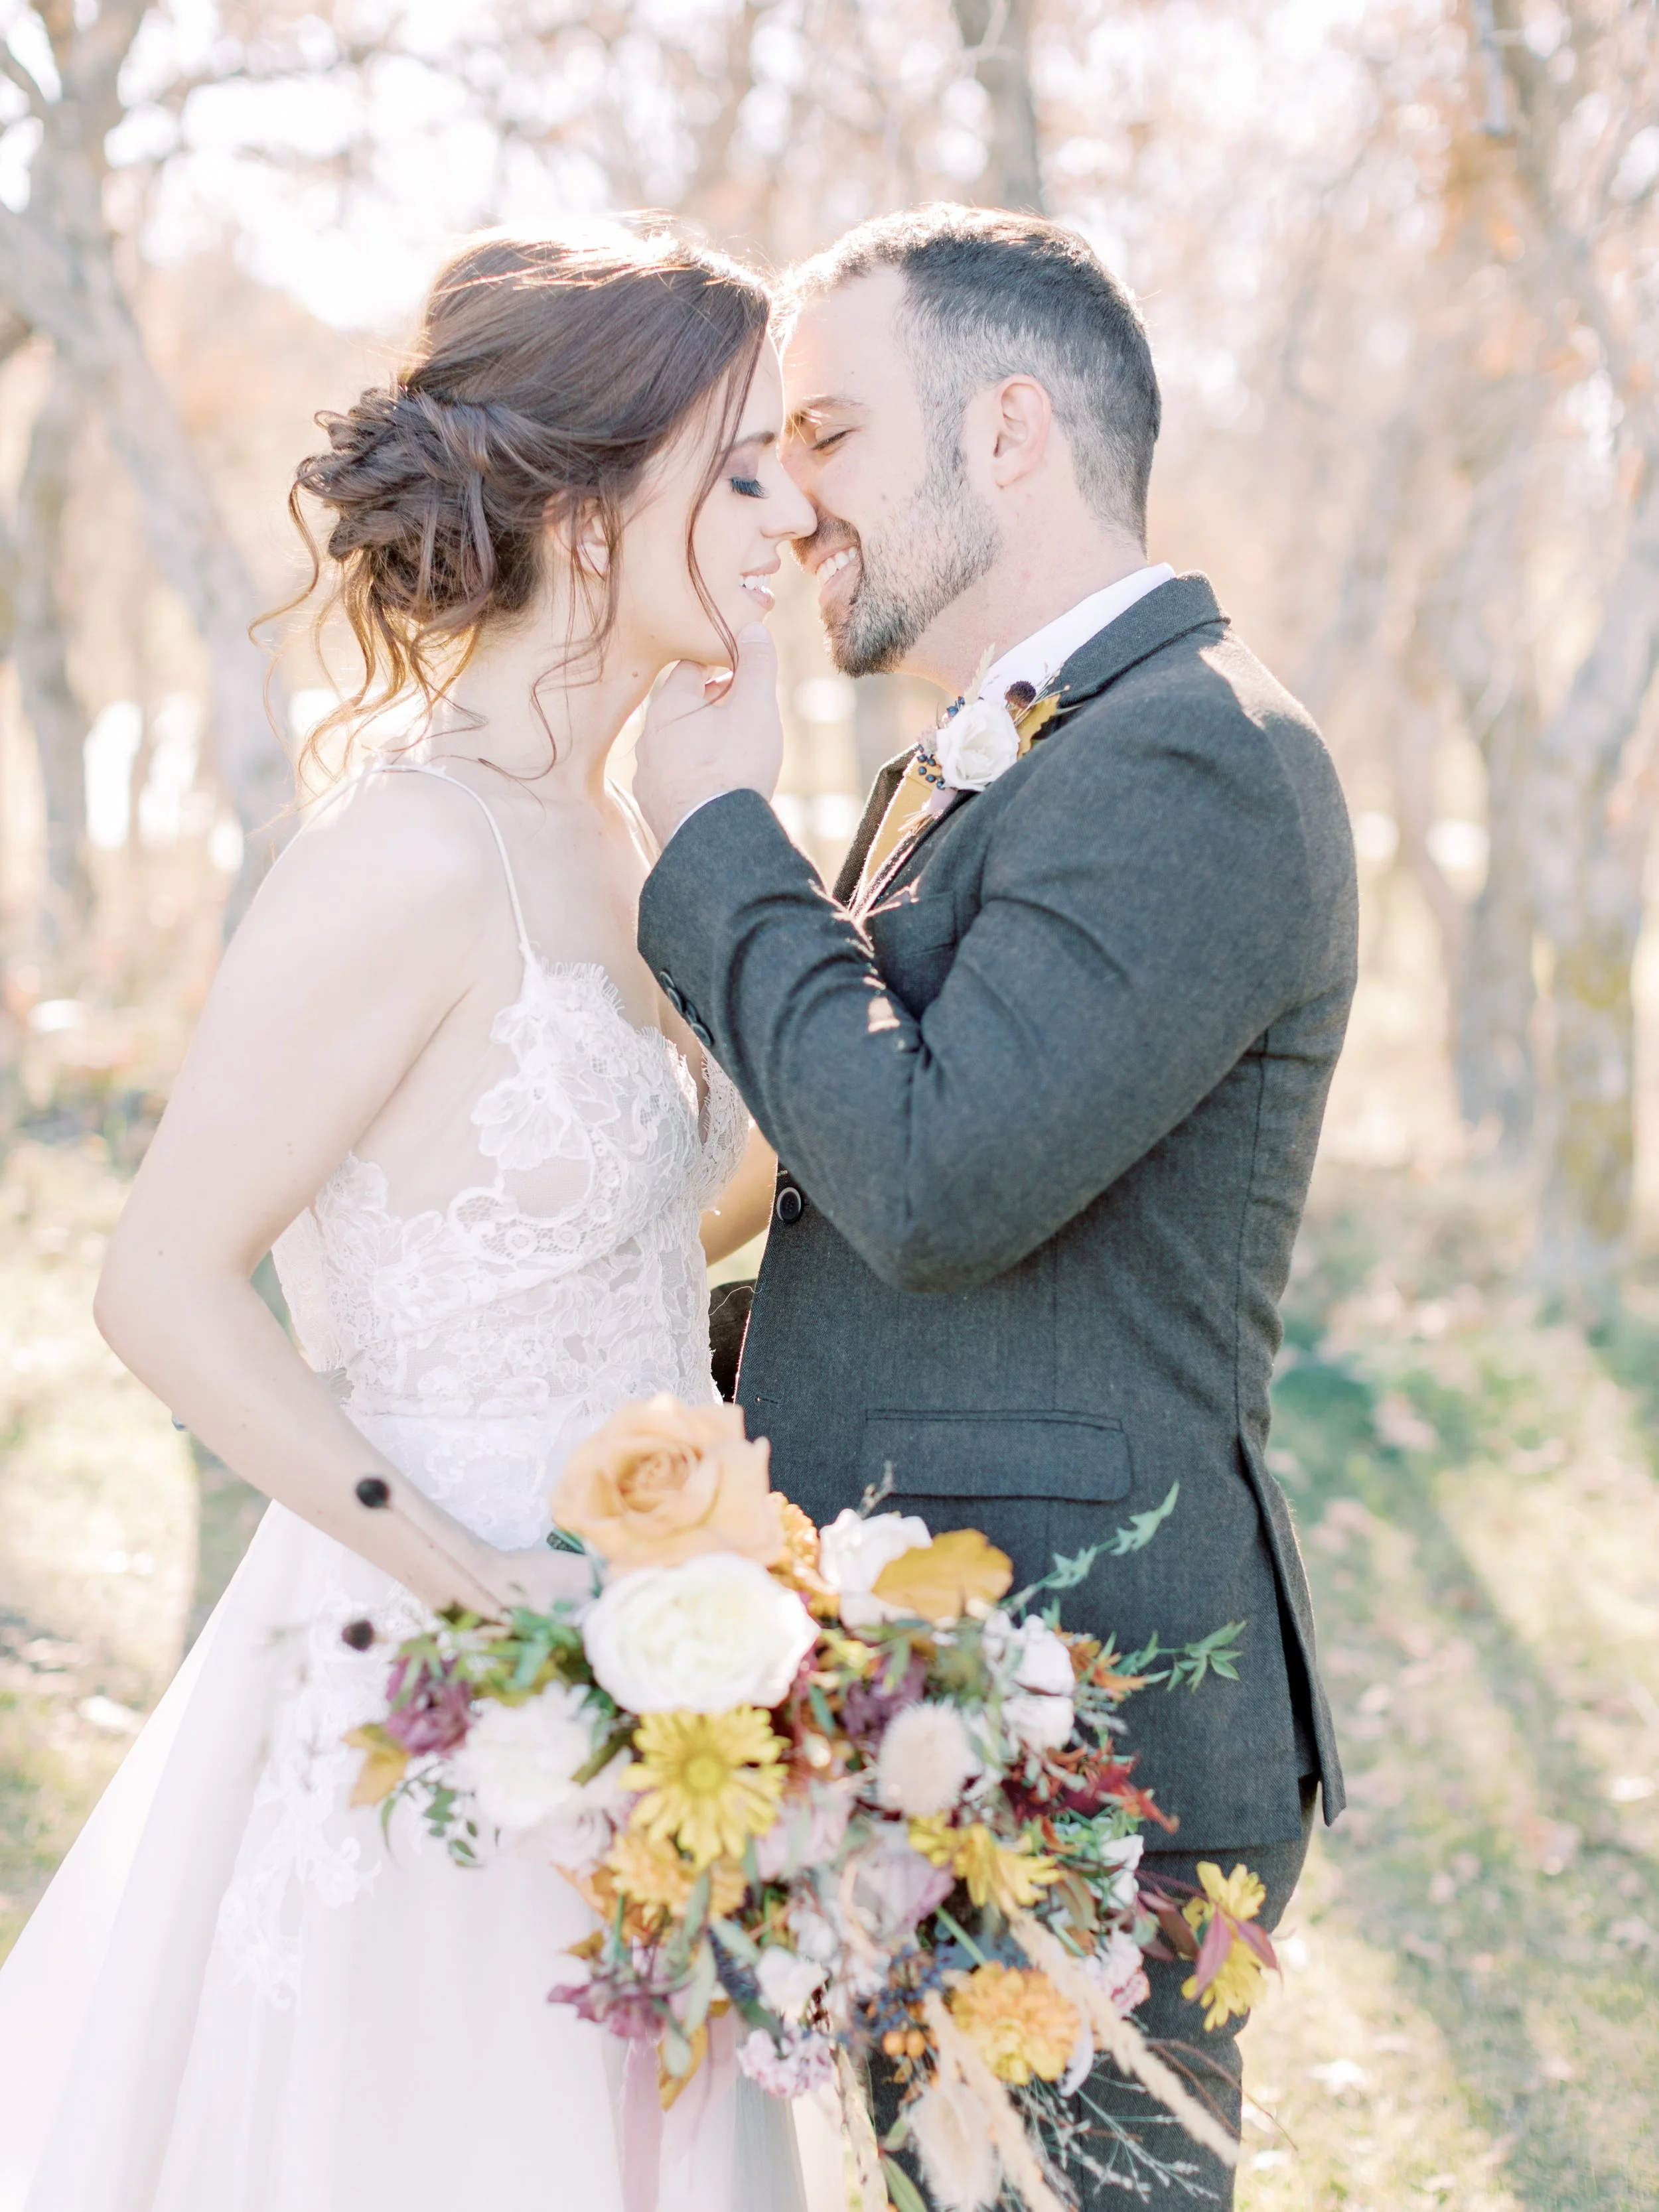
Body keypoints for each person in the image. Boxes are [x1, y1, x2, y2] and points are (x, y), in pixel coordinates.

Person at [0, 227, 815, 2212]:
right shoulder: (404, 849)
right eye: (740, 465)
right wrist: (467, 1579)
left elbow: (608, 1234)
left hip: (650, 1643)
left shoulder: (624, 829)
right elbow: (159, 1282)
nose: (793, 511)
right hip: (433, 1646)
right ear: (582, 504)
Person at [629, 204, 1358, 2205]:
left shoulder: (1195, 756)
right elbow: (843, 1174)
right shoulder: (1013, 756)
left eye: (834, 435)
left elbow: (936, 1177)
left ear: (1011, 431)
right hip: (929, 1676)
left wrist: (717, 840)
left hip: (1087, 1715)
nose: (791, 504)